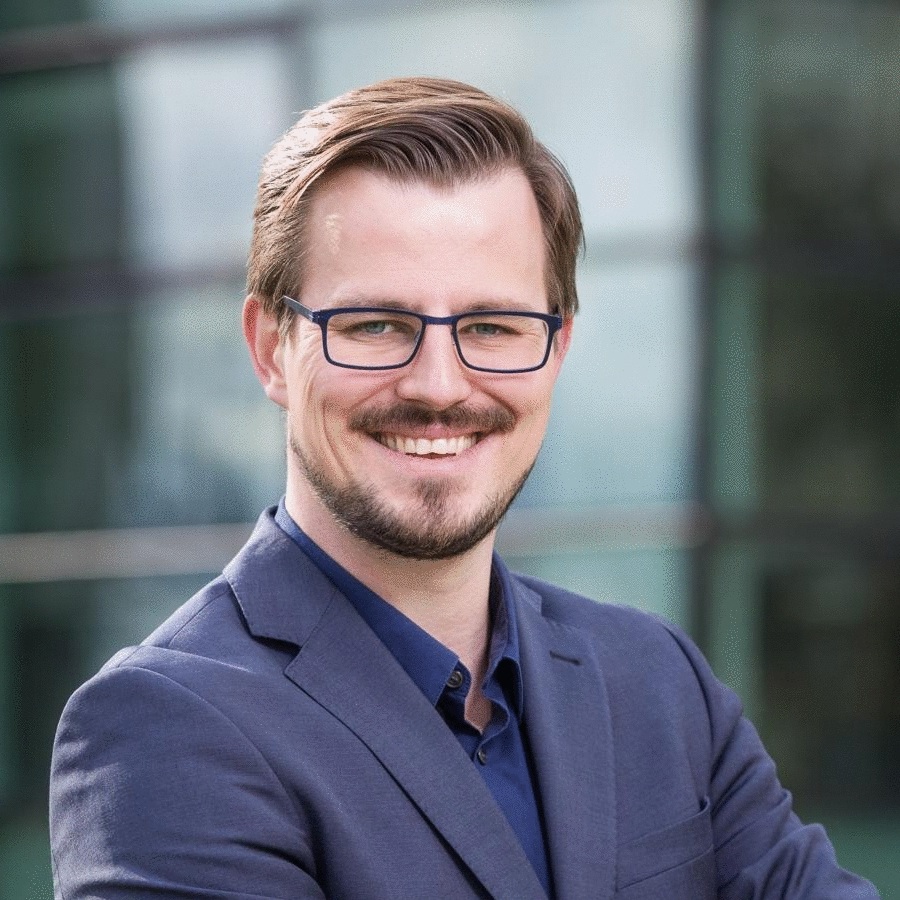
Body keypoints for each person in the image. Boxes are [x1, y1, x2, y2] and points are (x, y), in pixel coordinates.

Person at [49, 77, 879, 900]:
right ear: (271, 349)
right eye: (375, 325)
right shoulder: (162, 729)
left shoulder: (658, 683)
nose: (440, 386)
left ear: (556, 349)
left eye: (491, 326)